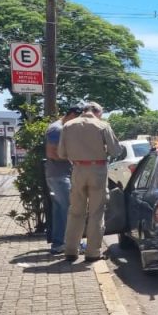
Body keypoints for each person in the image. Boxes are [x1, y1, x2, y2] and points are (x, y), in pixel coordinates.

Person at [58, 101, 124, 262]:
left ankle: (71, 250)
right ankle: (93, 252)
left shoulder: (68, 126)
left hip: (77, 169)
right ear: (97, 112)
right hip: (98, 170)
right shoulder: (102, 126)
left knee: (75, 211)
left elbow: (61, 153)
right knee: (96, 212)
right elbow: (116, 150)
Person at [44, 104, 83, 254]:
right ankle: (66, 243)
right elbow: (51, 153)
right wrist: (73, 157)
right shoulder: (57, 129)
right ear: (72, 114)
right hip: (59, 175)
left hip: (59, 174)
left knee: (61, 209)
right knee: (68, 209)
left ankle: (59, 242)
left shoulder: (62, 128)